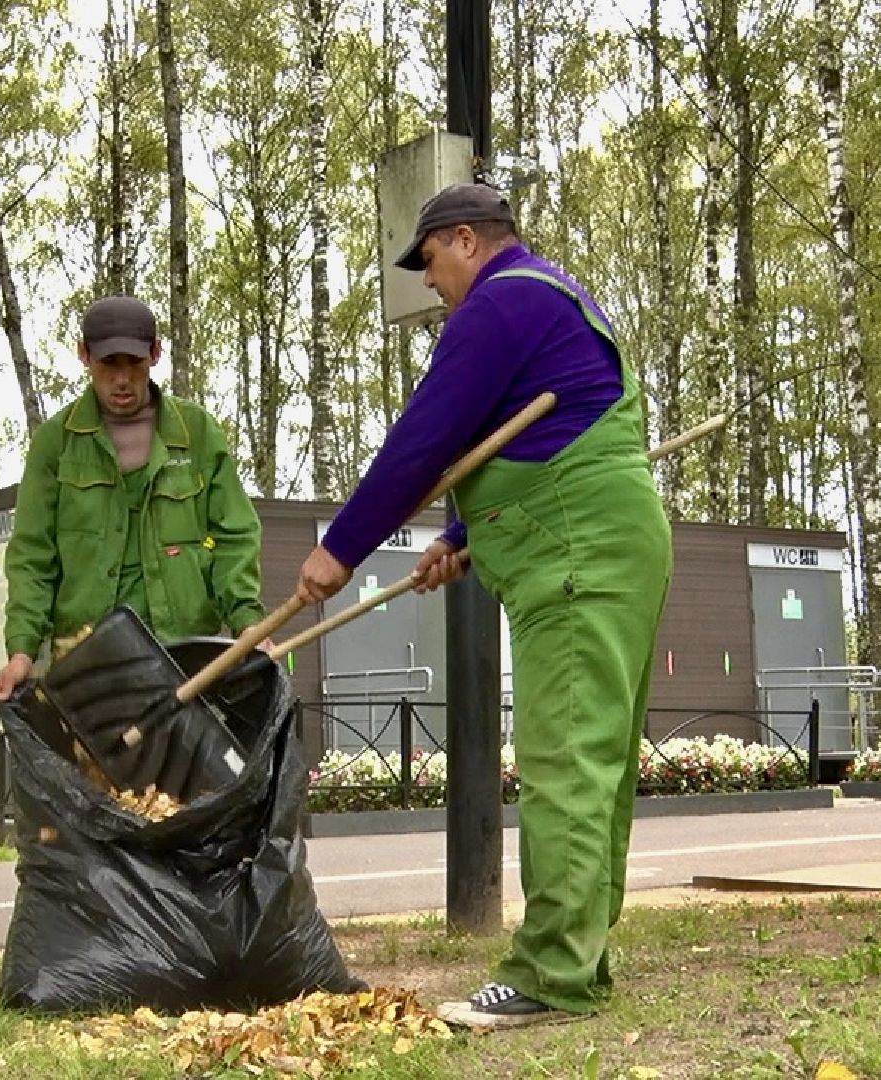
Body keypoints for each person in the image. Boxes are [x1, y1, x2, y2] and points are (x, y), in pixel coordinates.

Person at [294, 184, 673, 1028]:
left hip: (577, 556)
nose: (429, 284)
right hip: (601, 541)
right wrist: (460, 536)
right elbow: (538, 430)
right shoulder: (550, 297)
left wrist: (340, 548)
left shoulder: (499, 305)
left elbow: (425, 439)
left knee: (564, 762)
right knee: (591, 764)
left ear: (464, 239)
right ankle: (578, 958)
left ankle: (549, 974)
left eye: (427, 261)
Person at [0, 295, 266, 702]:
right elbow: (32, 556)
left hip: (184, 661)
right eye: (108, 364)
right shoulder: (56, 443)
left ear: (155, 354)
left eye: (133, 363)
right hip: (87, 665)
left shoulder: (198, 434)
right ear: (84, 355)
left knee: (194, 763)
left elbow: (234, 538)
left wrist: (249, 628)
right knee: (89, 766)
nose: (122, 379)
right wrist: (22, 652)